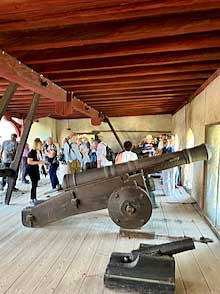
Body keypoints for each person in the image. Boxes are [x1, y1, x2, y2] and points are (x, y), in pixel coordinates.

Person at [27, 138, 45, 205]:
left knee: (35, 184)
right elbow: (29, 162)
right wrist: (39, 162)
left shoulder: (38, 152)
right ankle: (32, 198)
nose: (41, 146)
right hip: (31, 170)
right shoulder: (32, 152)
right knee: (33, 184)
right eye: (40, 145)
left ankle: (34, 197)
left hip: (36, 169)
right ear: (36, 145)